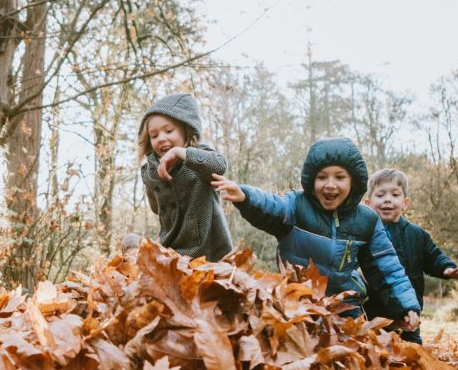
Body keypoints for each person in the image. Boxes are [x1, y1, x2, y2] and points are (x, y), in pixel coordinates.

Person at [210, 137, 420, 326]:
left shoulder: (367, 220)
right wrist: (246, 196)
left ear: (353, 182)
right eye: (322, 177)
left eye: (339, 177)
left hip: (345, 306)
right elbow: (273, 205)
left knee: (354, 355)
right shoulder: (296, 206)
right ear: (312, 181)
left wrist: (406, 305)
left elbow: (387, 267)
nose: (330, 185)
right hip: (298, 301)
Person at [363, 168, 458, 343]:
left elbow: (433, 256)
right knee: (375, 352)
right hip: (374, 312)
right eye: (381, 195)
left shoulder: (416, 234)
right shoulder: (363, 235)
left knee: (412, 352)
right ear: (368, 203)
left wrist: (447, 268)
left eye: (395, 195)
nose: (387, 199)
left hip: (409, 313)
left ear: (405, 203)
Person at [123, 93, 234, 262]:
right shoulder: (150, 172)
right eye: (154, 135)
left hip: (209, 253)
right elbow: (157, 208)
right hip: (172, 252)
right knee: (134, 246)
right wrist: (152, 183)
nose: (161, 138)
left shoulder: (199, 158)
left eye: (169, 131)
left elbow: (220, 165)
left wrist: (181, 153)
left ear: (186, 129)